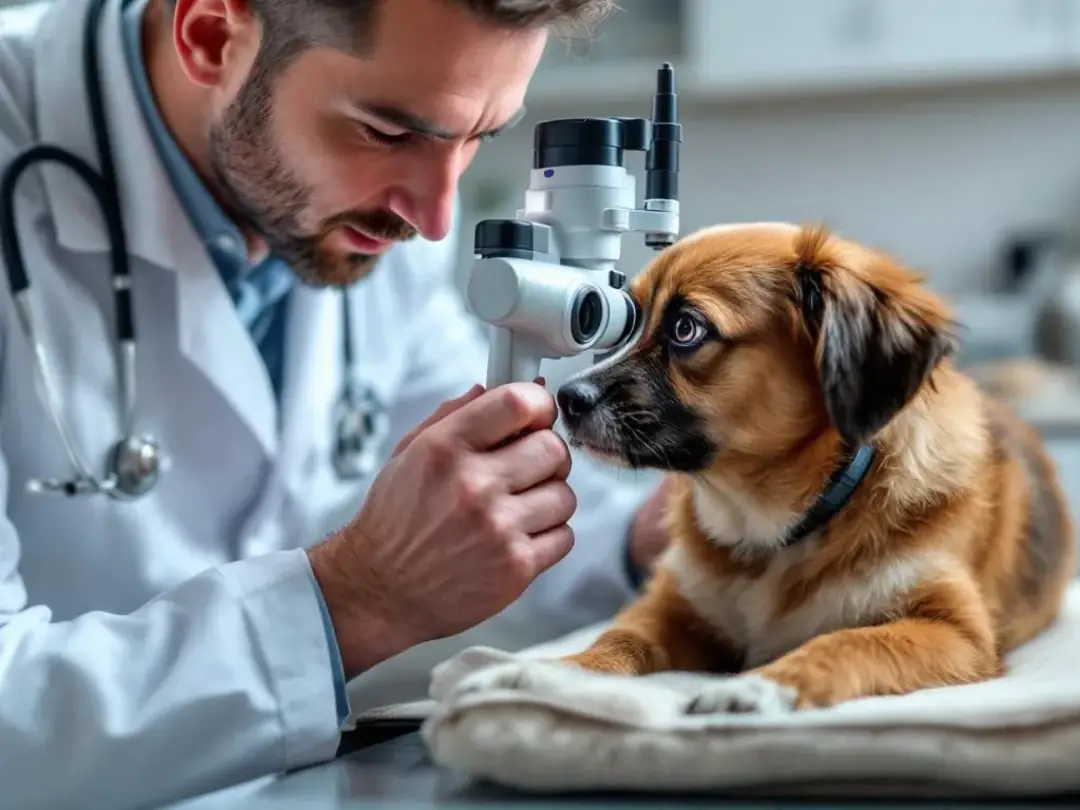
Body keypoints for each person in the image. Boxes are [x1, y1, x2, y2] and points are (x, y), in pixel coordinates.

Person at [0, 0, 673, 807]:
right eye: (388, 132)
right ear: (212, 36)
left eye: (477, 138)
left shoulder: (360, 210)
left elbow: (488, 477)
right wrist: (361, 598)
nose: (433, 220)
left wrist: (647, 540)